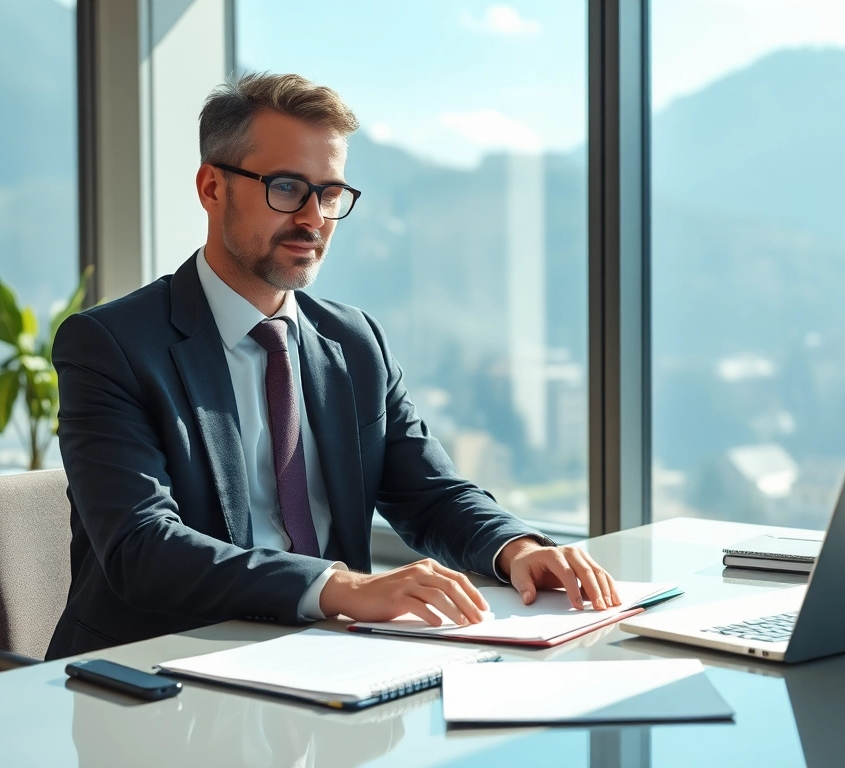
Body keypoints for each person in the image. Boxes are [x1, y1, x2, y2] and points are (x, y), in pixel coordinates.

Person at [46, 72, 620, 658]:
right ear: (212, 187)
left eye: (330, 194)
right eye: (288, 187)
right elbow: (142, 548)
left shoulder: (354, 340)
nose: (314, 218)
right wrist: (339, 587)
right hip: (160, 673)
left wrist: (515, 548)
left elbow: (429, 491)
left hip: (329, 661)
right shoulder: (110, 344)